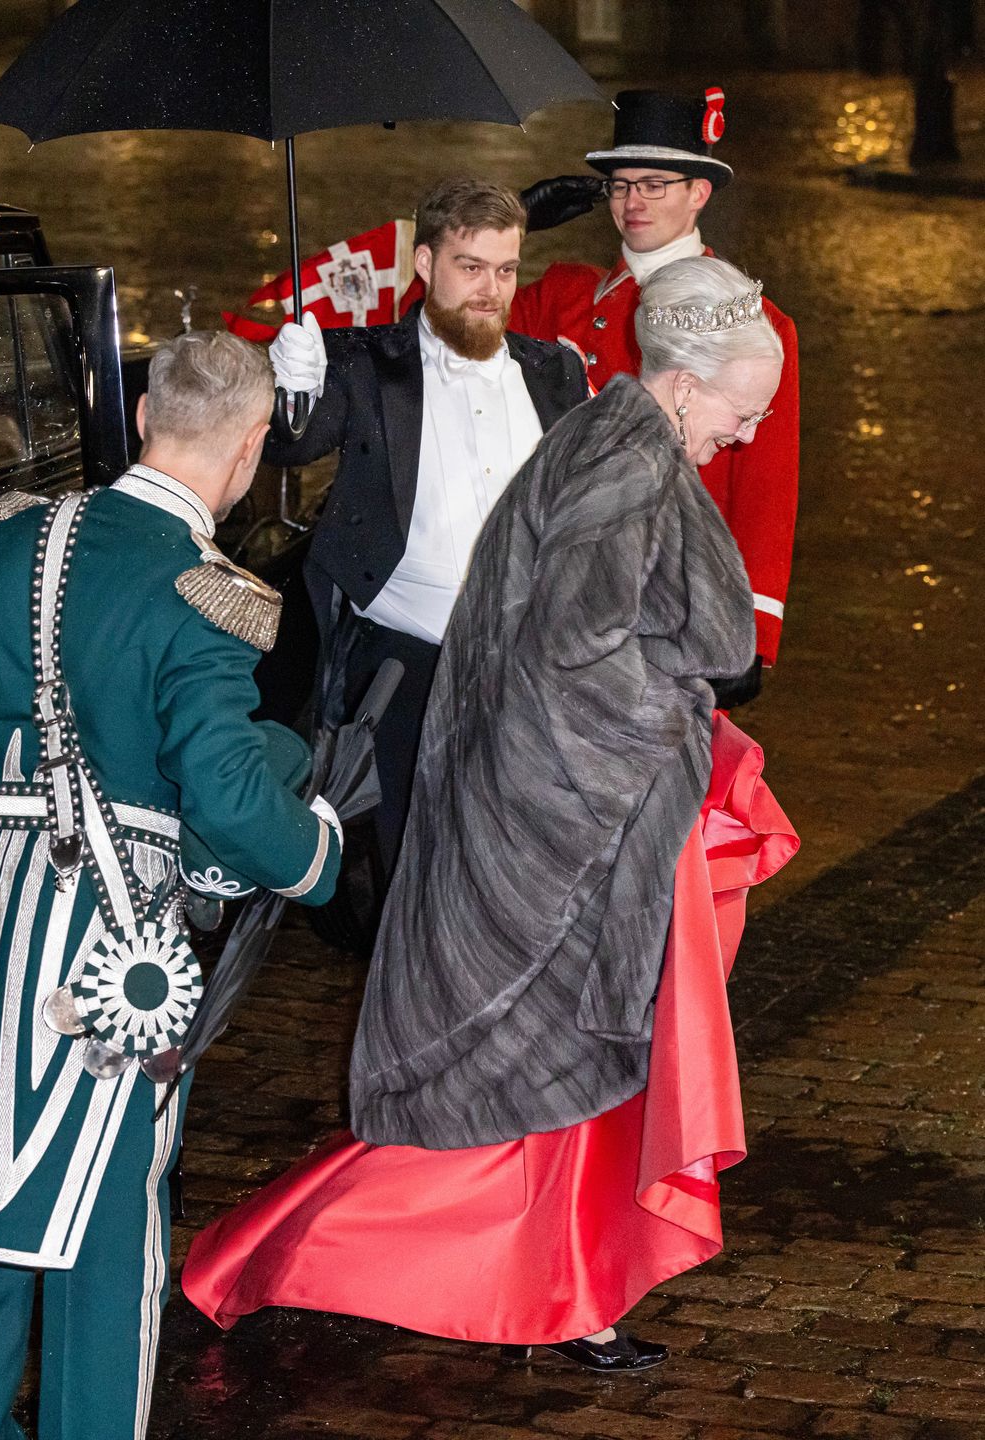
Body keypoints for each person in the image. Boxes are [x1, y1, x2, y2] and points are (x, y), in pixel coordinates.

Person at [182, 258, 798, 1372]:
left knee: (541, 1084)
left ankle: (568, 1294)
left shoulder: (624, 443)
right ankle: (283, 1261)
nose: (746, 435)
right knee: (512, 1085)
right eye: (742, 412)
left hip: (554, 820)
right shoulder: (624, 467)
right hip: (555, 830)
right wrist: (671, 736)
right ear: (684, 388)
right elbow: (571, 657)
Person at [0, 331, 342, 1440]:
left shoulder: (17, 539)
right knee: (105, 1222)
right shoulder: (206, 592)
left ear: (145, 414)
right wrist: (321, 850)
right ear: (249, 452)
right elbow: (235, 806)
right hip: (102, 929)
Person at [265, 176, 588, 872]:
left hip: (522, 670)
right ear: (424, 263)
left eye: (504, 270)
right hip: (401, 665)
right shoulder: (364, 364)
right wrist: (292, 390)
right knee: (404, 869)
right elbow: (290, 447)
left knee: (512, 868)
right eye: (469, 268)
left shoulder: (555, 372)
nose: (490, 290)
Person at [510, 87, 800, 693]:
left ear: (699, 193)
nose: (632, 201)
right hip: (552, 586)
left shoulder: (758, 325)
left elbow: (766, 487)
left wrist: (751, 627)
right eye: (620, 185)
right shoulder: (559, 297)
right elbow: (442, 341)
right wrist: (504, 224)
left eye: (654, 184)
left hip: (674, 599)